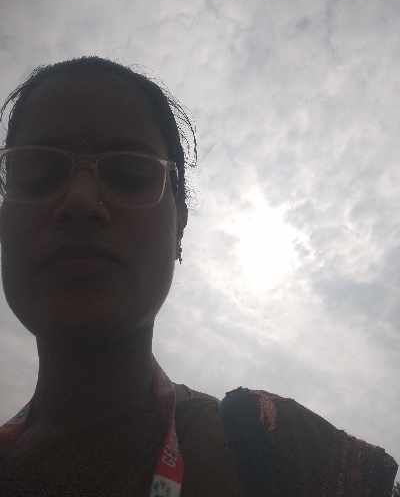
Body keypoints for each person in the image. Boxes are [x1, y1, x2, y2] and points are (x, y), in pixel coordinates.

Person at [0, 56, 397, 497]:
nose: (79, 200)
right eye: (37, 173)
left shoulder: (287, 456)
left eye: (130, 174)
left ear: (179, 228)